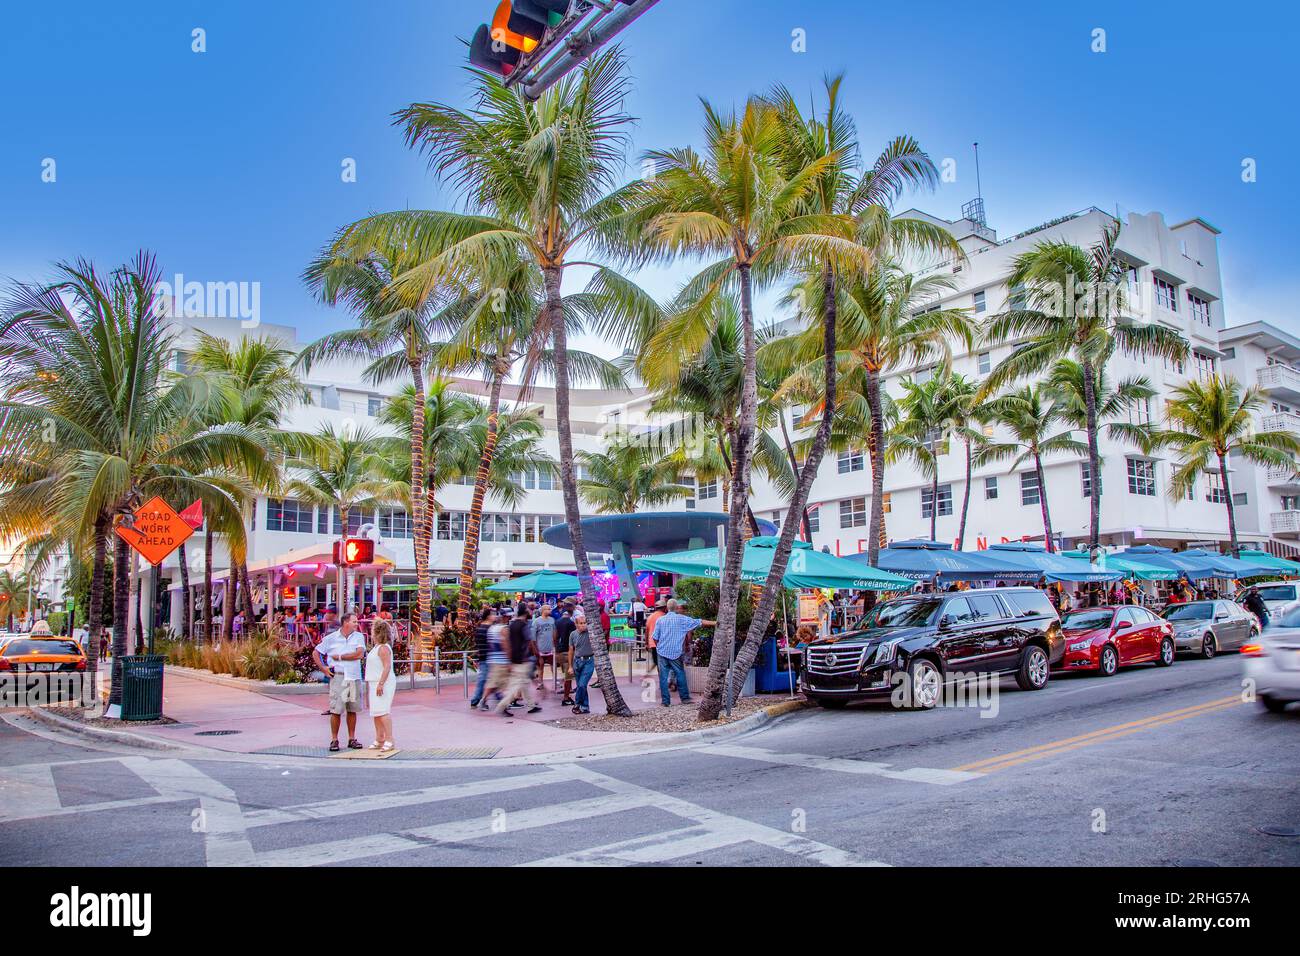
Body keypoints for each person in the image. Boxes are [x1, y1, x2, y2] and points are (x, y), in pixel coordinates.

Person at [312, 612, 366, 752]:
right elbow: (316, 652)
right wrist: (323, 668)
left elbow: (359, 654)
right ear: (346, 622)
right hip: (339, 676)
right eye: (354, 621)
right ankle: (334, 739)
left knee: (352, 709)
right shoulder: (331, 638)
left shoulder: (359, 637)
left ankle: (351, 738)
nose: (357, 623)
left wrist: (340, 657)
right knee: (336, 709)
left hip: (353, 676)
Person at [651, 599, 716, 708]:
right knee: (680, 673)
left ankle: (665, 702)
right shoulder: (682, 619)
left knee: (663, 677)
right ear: (676, 608)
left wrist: (659, 647)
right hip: (676, 652)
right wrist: (715, 623)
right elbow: (699, 622)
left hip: (662, 652)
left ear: (667, 608)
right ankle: (685, 698)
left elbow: (655, 637)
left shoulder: (660, 620)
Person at [496, 605, 541, 716]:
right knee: (516, 685)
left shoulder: (512, 625)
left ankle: (531, 705)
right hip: (522, 659)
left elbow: (509, 643)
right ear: (525, 613)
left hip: (515, 658)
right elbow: (529, 642)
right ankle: (502, 706)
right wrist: (535, 654)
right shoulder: (523, 625)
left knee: (524, 682)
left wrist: (509, 659)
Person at [366, 618, 397, 751]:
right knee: (376, 712)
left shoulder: (383, 648)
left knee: (383, 711)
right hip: (375, 682)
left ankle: (389, 739)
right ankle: (379, 738)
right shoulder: (377, 647)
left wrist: (381, 683)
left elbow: (387, 667)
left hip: (382, 683)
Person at [568, 609, 596, 714]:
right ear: (576, 624)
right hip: (577, 661)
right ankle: (585, 706)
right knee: (580, 685)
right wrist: (570, 666)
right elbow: (571, 650)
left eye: (585, 623)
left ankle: (577, 704)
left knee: (582, 685)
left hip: (589, 661)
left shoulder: (590, 632)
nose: (583, 625)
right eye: (581, 623)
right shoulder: (573, 635)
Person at [469, 607, 497, 708]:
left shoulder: (481, 627)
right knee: (486, 679)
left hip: (486, 657)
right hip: (488, 657)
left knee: (488, 679)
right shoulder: (487, 628)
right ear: (488, 616)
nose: (495, 616)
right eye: (493, 614)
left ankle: (479, 700)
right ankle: (476, 700)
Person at [554, 603, 577, 706]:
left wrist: (556, 649)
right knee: (569, 676)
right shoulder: (571, 623)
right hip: (569, 652)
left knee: (565, 674)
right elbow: (573, 639)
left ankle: (566, 692)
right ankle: (566, 697)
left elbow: (554, 637)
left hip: (559, 652)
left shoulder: (557, 622)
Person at [531, 604, 558, 691]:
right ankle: (540, 682)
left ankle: (555, 680)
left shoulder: (552, 620)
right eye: (548, 609)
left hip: (550, 647)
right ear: (543, 610)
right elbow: (533, 636)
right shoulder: (536, 621)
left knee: (553, 665)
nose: (550, 610)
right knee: (540, 666)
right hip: (540, 648)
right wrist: (535, 649)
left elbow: (554, 632)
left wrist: (555, 644)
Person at [645, 599, 667, 673]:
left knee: (657, 663)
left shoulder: (650, 617)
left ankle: (661, 678)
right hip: (663, 644)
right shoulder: (664, 617)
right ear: (664, 607)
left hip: (653, 644)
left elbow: (646, 631)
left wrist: (646, 643)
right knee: (665, 663)